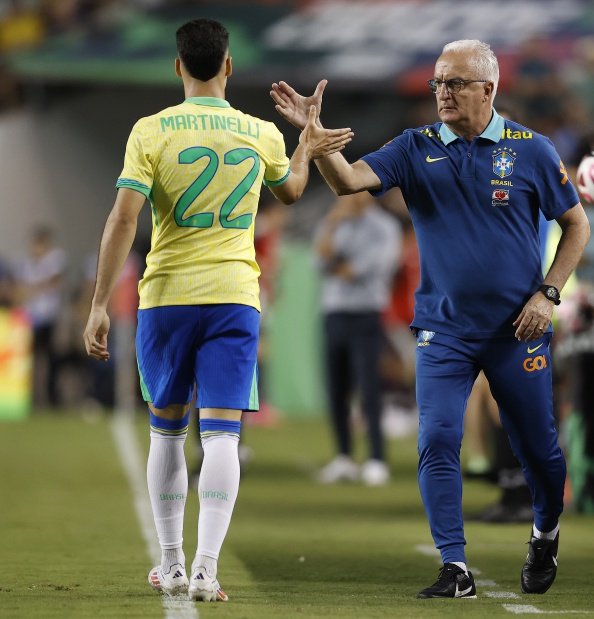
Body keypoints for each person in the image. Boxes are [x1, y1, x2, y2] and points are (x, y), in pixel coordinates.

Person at [270, 38, 590, 598]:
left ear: (488, 89)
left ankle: (545, 531)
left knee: (540, 450)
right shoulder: (414, 147)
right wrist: (315, 143)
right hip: (442, 329)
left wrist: (549, 294)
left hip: (519, 331)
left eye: (455, 83)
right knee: (438, 438)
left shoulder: (532, 150)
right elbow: (349, 182)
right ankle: (455, 566)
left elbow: (577, 225)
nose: (443, 93)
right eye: (438, 83)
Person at [82, 18, 352, 602]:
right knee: (224, 436)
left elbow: (124, 218)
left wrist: (100, 303)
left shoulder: (149, 132)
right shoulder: (259, 132)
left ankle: (172, 564)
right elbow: (292, 191)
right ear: (229, 66)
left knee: (167, 433)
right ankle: (207, 569)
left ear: (177, 66)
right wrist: (304, 142)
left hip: (168, 297)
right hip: (234, 296)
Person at [313, 191, 402, 486]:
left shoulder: (384, 226)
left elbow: (365, 269)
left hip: (366, 313)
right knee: (336, 389)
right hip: (334, 313)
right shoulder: (335, 222)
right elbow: (318, 262)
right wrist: (332, 224)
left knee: (369, 388)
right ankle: (344, 457)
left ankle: (376, 459)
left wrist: (336, 266)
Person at [15, 226, 67, 409]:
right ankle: (30, 397)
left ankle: (51, 396)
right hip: (30, 318)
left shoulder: (55, 259)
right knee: (29, 360)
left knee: (52, 358)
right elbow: (19, 290)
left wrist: (31, 289)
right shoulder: (26, 263)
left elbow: (52, 280)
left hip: (49, 316)